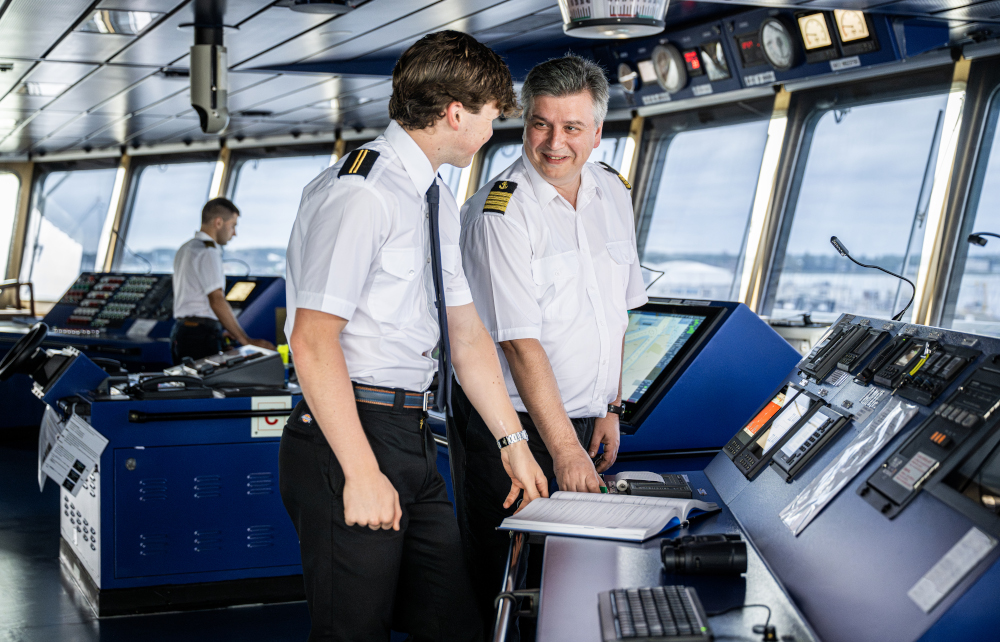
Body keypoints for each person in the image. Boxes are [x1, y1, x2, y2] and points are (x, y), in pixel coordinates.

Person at [278, 31, 549, 642]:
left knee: (451, 625)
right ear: (456, 113)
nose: (490, 131)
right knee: (355, 631)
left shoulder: (429, 195)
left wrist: (513, 439)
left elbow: (466, 331)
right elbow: (314, 340)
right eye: (488, 117)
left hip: (410, 439)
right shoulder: (361, 192)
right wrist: (361, 472)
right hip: (349, 434)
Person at [456, 54, 648, 638]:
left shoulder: (614, 192)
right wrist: (564, 449)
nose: (554, 142)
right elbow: (519, 342)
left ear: (597, 132)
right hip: (511, 424)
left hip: (583, 420)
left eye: (571, 128)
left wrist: (610, 408)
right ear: (524, 125)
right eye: (541, 124)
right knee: (510, 583)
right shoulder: (501, 210)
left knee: (573, 576)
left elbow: (617, 317)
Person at [170, 197, 274, 363]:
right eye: (232, 226)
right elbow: (216, 300)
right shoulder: (208, 252)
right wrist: (245, 340)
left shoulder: (186, 248)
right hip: (199, 336)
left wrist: (219, 331)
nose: (234, 233)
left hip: (182, 332)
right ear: (218, 222)